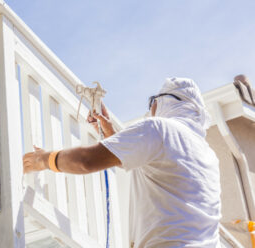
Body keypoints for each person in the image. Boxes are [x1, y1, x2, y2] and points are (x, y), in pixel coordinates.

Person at [23, 77, 221, 247]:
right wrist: (111, 134)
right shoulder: (208, 154)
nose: (151, 108)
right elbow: (154, 166)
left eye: (152, 101)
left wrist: (44, 159)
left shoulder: (159, 128)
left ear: (164, 102)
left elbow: (86, 161)